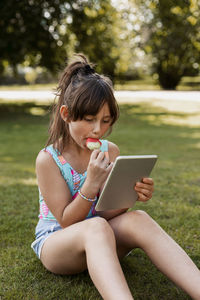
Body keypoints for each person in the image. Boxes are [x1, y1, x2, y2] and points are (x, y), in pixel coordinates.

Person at [31, 54, 200, 300]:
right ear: (66, 114)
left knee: (139, 218)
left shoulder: (110, 151)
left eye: (106, 121)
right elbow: (68, 222)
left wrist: (131, 194)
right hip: (58, 245)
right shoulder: (48, 159)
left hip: (100, 239)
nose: (98, 129)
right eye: (89, 120)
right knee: (96, 228)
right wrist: (91, 183)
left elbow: (106, 213)